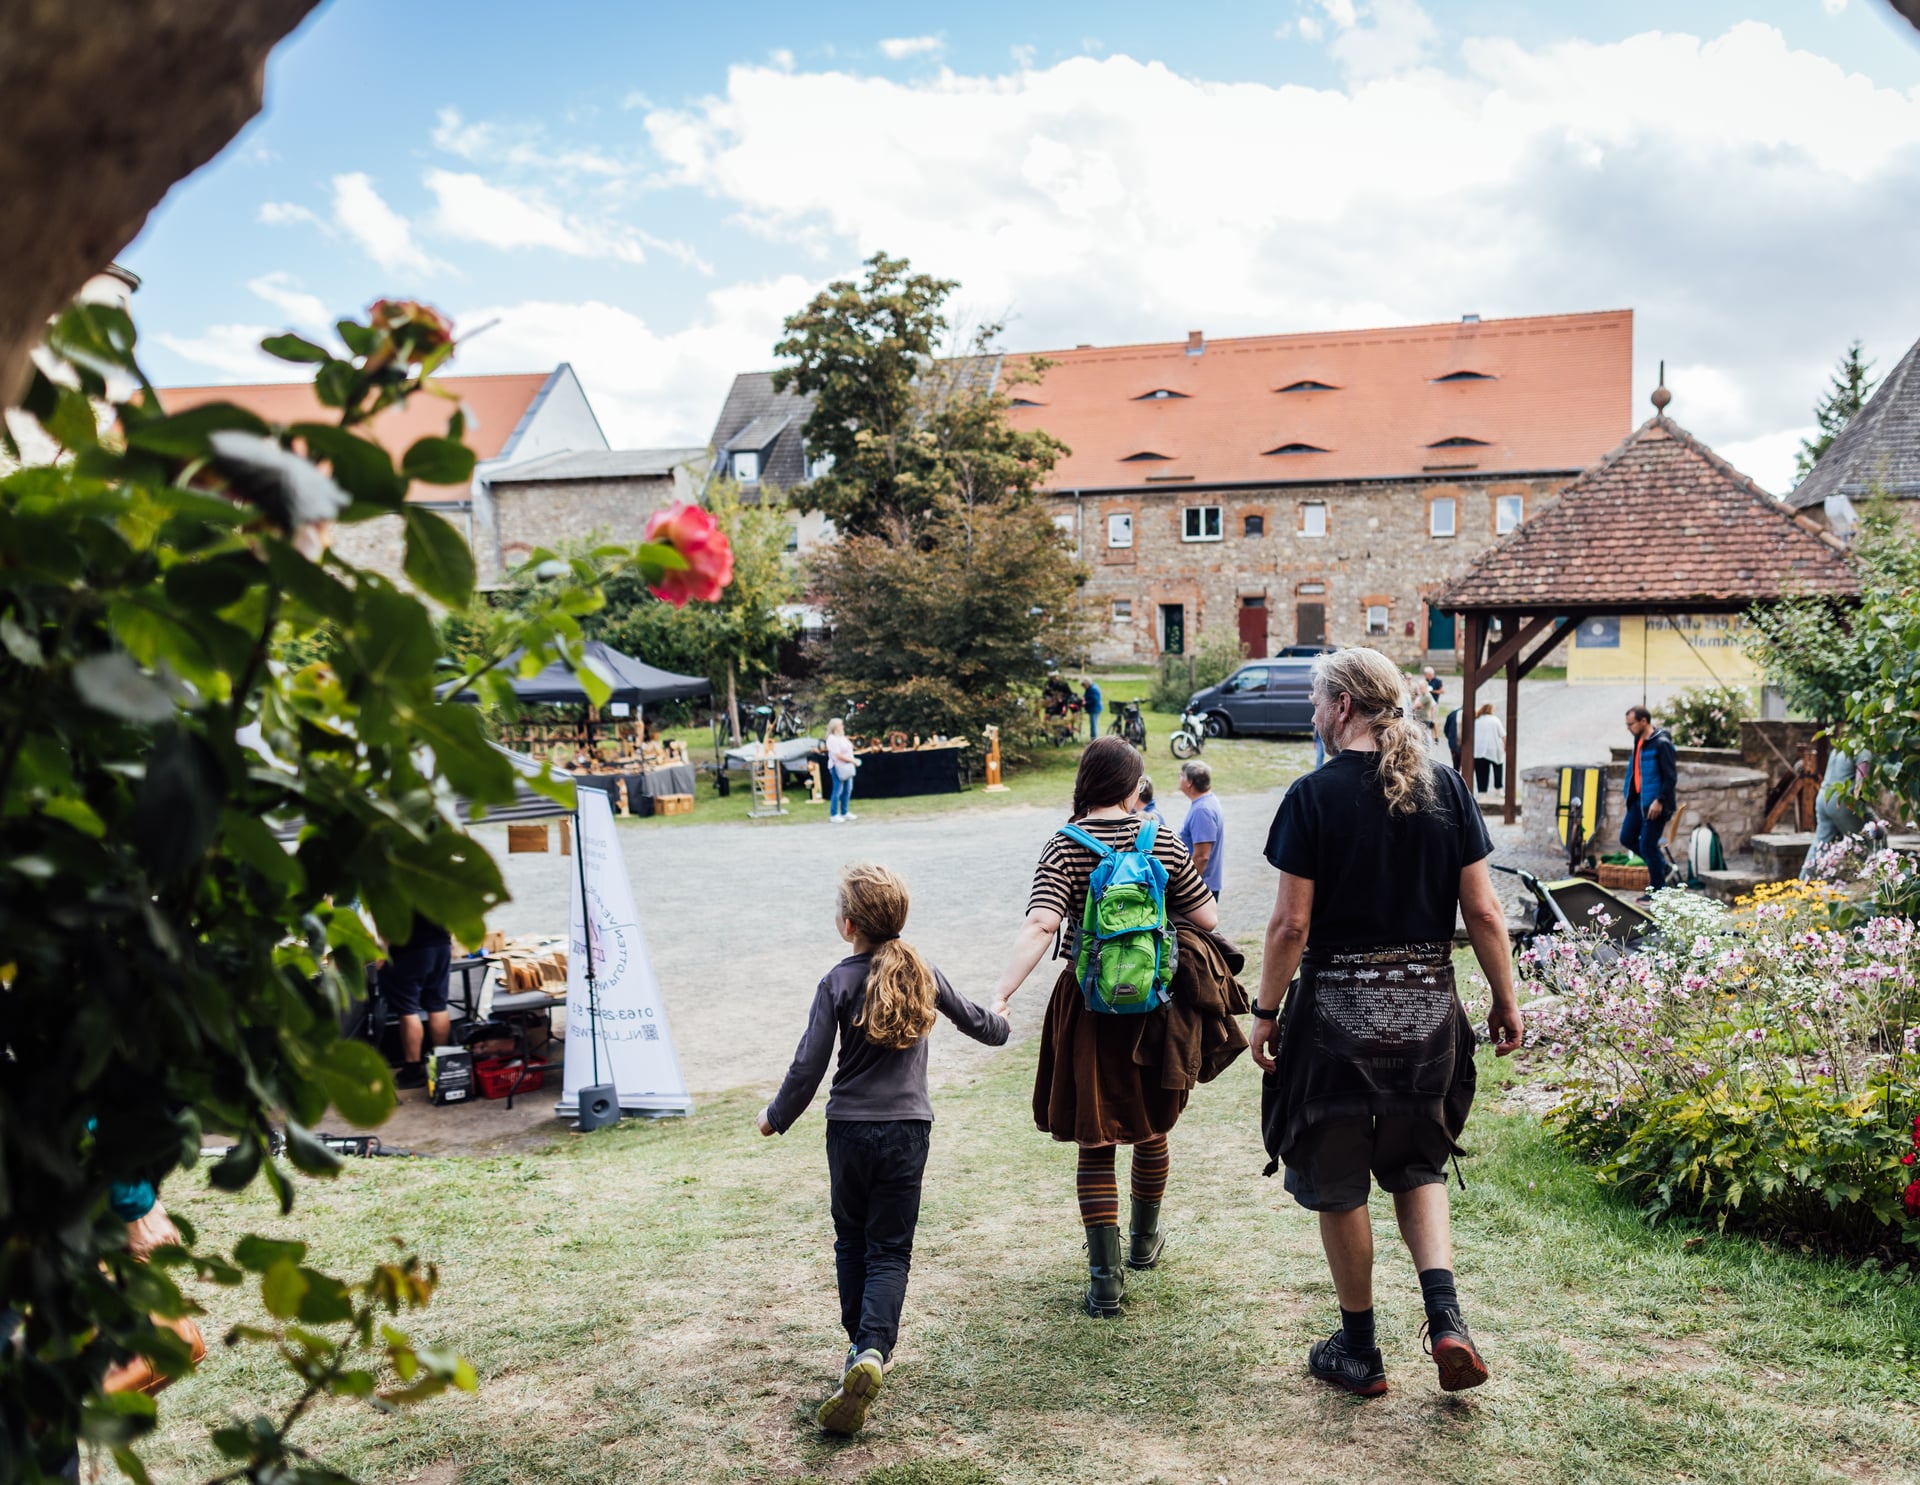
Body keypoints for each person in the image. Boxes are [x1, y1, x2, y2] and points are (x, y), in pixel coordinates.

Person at [1250, 647, 1523, 1398]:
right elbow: (1485, 910)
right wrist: (1505, 997)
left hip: (1335, 1030)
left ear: (1342, 706)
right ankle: (1446, 1321)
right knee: (1418, 1162)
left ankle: (1361, 1349)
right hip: (1430, 1019)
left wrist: (1266, 1012)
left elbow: (1288, 925)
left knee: (1337, 1181)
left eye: (1316, 702)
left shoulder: (1312, 796)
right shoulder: (1447, 787)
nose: (1312, 715)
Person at [990, 736, 1247, 1318]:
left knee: (1095, 1137)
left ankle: (1104, 1284)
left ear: (1086, 781)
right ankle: (1144, 1245)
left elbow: (1039, 927)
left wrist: (1003, 993)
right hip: (1156, 1008)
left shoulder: (1064, 844)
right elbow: (1208, 915)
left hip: (1087, 1007)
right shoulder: (1160, 836)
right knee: (1152, 1128)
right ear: (1133, 787)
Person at [758, 864, 1009, 1435]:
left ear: (848, 925)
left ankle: (859, 1348)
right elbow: (980, 1024)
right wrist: (1002, 1021)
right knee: (890, 1249)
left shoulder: (837, 981)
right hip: (907, 1132)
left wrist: (775, 1117)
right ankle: (871, 1350)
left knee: (852, 1238)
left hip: (848, 1131)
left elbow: (808, 1064)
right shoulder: (922, 970)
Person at [379, 915, 453, 1089]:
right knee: (438, 1006)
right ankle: (442, 1064)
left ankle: (413, 1069)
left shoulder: (394, 887)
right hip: (441, 944)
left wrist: (382, 951)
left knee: (408, 1011)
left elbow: (386, 922)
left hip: (410, 948)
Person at [1622, 705, 1677, 893]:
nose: (1628, 728)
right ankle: (1663, 866)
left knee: (1647, 846)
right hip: (1639, 801)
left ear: (1643, 721)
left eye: (1631, 724)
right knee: (1627, 838)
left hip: (1656, 804)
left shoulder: (1661, 743)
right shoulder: (1639, 739)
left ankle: (1657, 892)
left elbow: (1671, 777)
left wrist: (1660, 800)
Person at [1177, 759, 1225, 899]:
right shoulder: (1207, 801)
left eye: (1181, 775)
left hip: (1199, 889)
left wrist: (1187, 887)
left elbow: (1201, 857)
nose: (1179, 778)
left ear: (1189, 782)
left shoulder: (1203, 810)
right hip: (1202, 886)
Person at [825, 716, 860, 823]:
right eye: (841, 725)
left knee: (848, 789)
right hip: (837, 766)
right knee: (838, 790)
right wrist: (852, 761)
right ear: (835, 727)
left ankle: (845, 812)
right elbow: (838, 755)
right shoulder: (831, 739)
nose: (842, 727)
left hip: (847, 766)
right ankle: (834, 814)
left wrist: (852, 760)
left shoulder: (842, 737)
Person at [1471, 702, 1506, 795]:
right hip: (1494, 748)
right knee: (1498, 767)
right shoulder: (1495, 720)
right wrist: (1506, 747)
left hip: (1479, 749)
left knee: (1481, 771)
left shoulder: (1476, 720)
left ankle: (1482, 791)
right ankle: (1498, 789)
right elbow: (1503, 735)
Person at [1081, 676, 1104, 743]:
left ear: (1087, 684)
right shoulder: (1090, 688)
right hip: (1092, 709)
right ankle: (1093, 738)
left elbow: (1095, 700)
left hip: (1095, 709)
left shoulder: (1093, 689)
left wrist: (1086, 702)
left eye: (1084, 685)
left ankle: (1094, 740)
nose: (1083, 687)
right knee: (1093, 725)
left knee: (1094, 725)